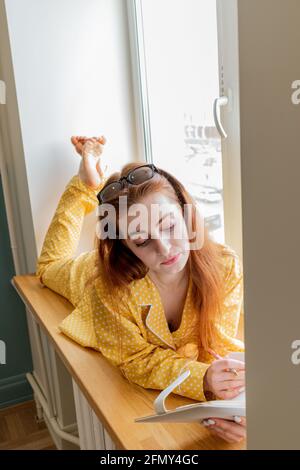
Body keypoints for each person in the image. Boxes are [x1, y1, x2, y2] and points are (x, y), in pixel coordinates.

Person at [36, 135, 246, 444]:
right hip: (88, 278)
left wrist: (239, 407)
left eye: (169, 225)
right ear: (125, 246)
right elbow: (136, 361)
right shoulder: (106, 288)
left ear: (186, 212)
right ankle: (84, 182)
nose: (164, 248)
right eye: (141, 240)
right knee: (47, 267)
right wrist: (202, 379)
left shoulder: (225, 265)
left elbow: (216, 346)